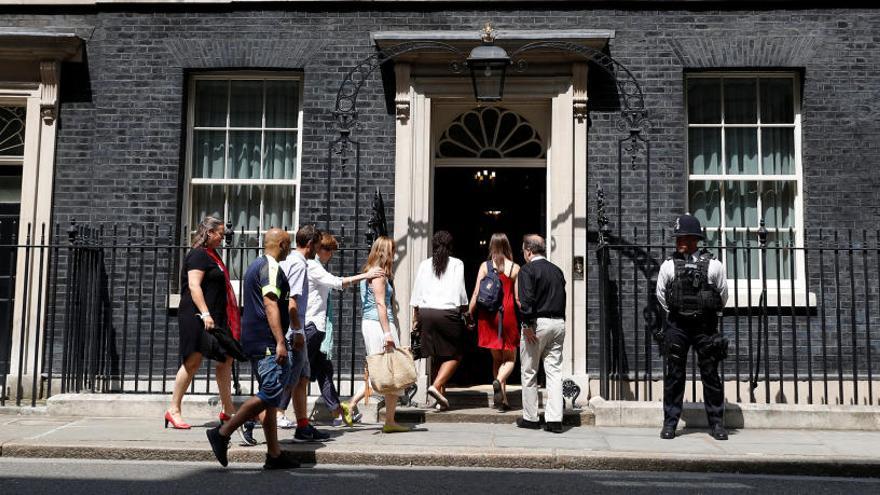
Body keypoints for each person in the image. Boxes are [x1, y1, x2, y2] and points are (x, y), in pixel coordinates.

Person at [206, 227, 300, 470]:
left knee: (270, 399)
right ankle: (223, 432)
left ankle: (274, 454)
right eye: (288, 243)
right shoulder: (271, 267)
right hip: (267, 341)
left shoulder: (253, 266)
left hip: (256, 340)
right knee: (271, 392)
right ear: (281, 244)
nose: (289, 248)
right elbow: (270, 305)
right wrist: (280, 341)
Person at [655, 214, 729, 441]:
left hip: (705, 325)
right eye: (678, 238)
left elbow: (723, 295)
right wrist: (678, 312)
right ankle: (670, 423)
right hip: (678, 324)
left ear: (696, 239)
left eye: (685, 237)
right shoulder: (668, 265)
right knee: (675, 375)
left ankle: (716, 423)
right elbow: (661, 295)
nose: (680, 242)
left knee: (710, 374)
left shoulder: (714, 265)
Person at [305, 231, 384, 426]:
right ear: (321, 249)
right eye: (330, 251)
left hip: (319, 326)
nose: (331, 255)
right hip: (310, 325)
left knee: (323, 370)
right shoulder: (313, 267)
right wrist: (367, 274)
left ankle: (337, 413)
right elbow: (337, 282)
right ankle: (277, 412)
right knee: (297, 372)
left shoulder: (317, 266)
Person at [165, 217, 236, 429]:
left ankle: (229, 409)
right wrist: (205, 314)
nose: (223, 238)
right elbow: (194, 287)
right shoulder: (197, 255)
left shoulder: (212, 256)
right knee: (193, 361)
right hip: (198, 315)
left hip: (215, 315)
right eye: (220, 234)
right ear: (209, 233)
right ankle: (173, 409)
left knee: (225, 359)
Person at [347, 236, 410, 433]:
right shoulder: (378, 275)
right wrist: (388, 333)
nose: (395, 255)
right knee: (387, 371)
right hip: (378, 324)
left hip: (374, 323)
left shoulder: (371, 272)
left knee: (390, 372)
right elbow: (381, 304)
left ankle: (390, 420)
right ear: (385, 252)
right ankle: (352, 405)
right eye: (393, 251)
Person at [277, 224, 329, 443]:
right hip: (295, 332)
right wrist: (298, 332)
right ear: (310, 244)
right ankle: (249, 420)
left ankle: (303, 427)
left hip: (296, 329)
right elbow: (292, 303)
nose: (318, 250)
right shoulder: (298, 265)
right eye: (317, 246)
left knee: (302, 378)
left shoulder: (291, 261)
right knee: (288, 380)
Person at [410, 231, 469, 411]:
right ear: (450, 246)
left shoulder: (424, 264)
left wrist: (415, 320)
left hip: (426, 314)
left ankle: (439, 400)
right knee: (456, 355)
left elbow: (417, 293)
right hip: (447, 314)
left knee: (437, 356)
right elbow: (460, 291)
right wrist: (465, 309)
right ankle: (436, 387)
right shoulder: (457, 264)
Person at [516, 234, 567, 434]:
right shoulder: (557, 270)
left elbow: (526, 299)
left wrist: (527, 324)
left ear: (529, 251)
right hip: (558, 322)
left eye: (523, 251)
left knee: (529, 371)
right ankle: (554, 420)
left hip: (537, 323)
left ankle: (531, 418)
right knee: (554, 372)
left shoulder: (527, 270)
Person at [468, 233, 520, 411]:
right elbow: (519, 299)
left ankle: (502, 397)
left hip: (489, 317)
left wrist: (469, 313)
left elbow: (476, 293)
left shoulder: (485, 266)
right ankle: (499, 384)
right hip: (508, 315)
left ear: (491, 245)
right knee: (511, 359)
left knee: (497, 359)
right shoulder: (514, 268)